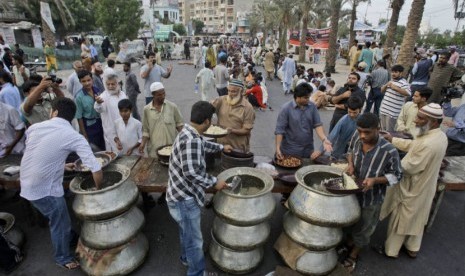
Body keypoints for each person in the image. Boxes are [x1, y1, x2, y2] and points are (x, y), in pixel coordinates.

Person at [20, 97, 103, 270]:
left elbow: (40, 153)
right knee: (60, 222)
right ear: (72, 118)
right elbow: (95, 167)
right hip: (44, 189)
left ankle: (71, 238)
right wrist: (98, 190)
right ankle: (62, 257)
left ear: (54, 112)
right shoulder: (74, 136)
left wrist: (62, 165)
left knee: (58, 217)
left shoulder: (35, 127)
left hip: (26, 181)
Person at [166, 101, 232, 276]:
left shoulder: (188, 131)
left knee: (185, 233)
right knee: (195, 241)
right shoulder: (191, 140)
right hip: (184, 199)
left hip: (178, 194)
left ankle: (186, 258)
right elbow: (192, 173)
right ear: (207, 121)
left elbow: (203, 143)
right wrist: (214, 182)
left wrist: (221, 147)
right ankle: (197, 273)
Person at [379, 103, 447, 258]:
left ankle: (391, 251)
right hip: (427, 185)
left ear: (434, 122)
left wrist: (384, 166)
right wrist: (393, 139)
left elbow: (408, 167)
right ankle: (412, 248)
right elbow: (414, 145)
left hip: (413, 186)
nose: (416, 120)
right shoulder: (439, 136)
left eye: (421, 118)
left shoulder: (428, 143)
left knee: (401, 220)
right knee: (417, 218)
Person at [341, 113, 402, 273]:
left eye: (367, 132)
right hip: (352, 193)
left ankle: (353, 256)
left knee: (365, 228)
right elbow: (350, 151)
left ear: (378, 129)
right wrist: (351, 164)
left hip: (372, 198)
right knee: (349, 222)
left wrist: (375, 180)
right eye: (360, 131)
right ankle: (348, 244)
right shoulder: (357, 137)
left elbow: (397, 176)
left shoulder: (389, 151)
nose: (362, 136)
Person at [275, 82, 333, 159]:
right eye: (306, 98)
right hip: (290, 150)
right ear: (298, 97)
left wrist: (324, 139)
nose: (308, 100)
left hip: (308, 150)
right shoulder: (286, 109)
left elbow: (318, 124)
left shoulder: (312, 106)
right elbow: (279, 130)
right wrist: (278, 148)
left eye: (309, 97)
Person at [139, 82, 184, 157]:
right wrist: (143, 143)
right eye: (159, 95)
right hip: (154, 151)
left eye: (164, 93)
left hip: (172, 148)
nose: (163, 96)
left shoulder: (172, 107)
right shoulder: (146, 109)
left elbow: (180, 125)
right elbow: (146, 130)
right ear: (153, 95)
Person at [311, 96, 363, 161]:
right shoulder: (343, 120)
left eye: (355, 112)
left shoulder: (363, 120)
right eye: (349, 112)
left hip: (354, 152)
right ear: (347, 109)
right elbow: (332, 136)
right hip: (339, 151)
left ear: (360, 109)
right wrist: (320, 150)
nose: (352, 115)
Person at [211, 79, 255, 152]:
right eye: (229, 91)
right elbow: (209, 109)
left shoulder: (248, 107)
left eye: (233, 91)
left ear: (241, 92)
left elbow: (246, 130)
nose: (230, 94)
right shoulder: (222, 100)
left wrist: (232, 131)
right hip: (221, 144)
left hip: (237, 146)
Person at [94, 74, 128, 151]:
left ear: (118, 83)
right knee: (115, 152)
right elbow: (99, 109)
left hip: (124, 127)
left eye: (113, 84)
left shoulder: (122, 94)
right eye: (108, 84)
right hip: (111, 131)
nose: (110, 86)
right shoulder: (104, 96)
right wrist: (98, 103)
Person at [75, 70, 105, 150]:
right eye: (83, 81)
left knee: (104, 145)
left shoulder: (97, 90)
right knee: (95, 149)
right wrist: (84, 135)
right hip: (90, 127)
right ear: (80, 82)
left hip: (101, 123)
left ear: (92, 79)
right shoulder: (79, 97)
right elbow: (79, 117)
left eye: (88, 80)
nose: (87, 83)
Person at [379, 65, 411, 132]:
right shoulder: (391, 81)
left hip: (392, 113)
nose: (393, 74)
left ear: (400, 73)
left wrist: (395, 88)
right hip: (383, 110)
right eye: (392, 72)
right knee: (382, 130)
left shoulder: (404, 83)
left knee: (389, 131)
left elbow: (408, 93)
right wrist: (386, 85)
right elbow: (381, 91)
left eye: (396, 72)